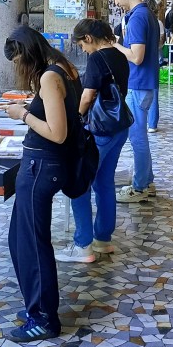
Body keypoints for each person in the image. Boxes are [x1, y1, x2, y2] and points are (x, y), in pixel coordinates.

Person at [2, 26, 81, 342]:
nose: (19, 68)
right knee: (19, 239)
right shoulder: (62, 66)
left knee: (33, 245)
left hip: (41, 166)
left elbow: (57, 131)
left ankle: (44, 318)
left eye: (19, 60)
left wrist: (21, 115)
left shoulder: (50, 77)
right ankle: (36, 305)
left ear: (29, 53)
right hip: (42, 165)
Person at [56, 19, 130, 264]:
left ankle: (83, 245)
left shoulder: (97, 58)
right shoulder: (120, 55)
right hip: (119, 127)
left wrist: (76, 117)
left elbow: (88, 96)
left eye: (81, 45)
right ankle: (103, 239)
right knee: (104, 182)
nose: (83, 50)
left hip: (100, 130)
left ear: (88, 38)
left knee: (80, 183)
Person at [110, 0, 160, 205]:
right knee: (138, 136)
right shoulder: (145, 14)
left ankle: (139, 187)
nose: (116, 2)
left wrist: (115, 45)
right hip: (144, 83)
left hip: (138, 83)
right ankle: (146, 181)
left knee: (137, 137)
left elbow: (137, 57)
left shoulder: (139, 17)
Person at [142, 0, 164, 133]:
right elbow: (161, 41)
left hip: (142, 59)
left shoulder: (139, 20)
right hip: (154, 57)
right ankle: (152, 123)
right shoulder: (158, 22)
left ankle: (142, 121)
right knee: (154, 91)